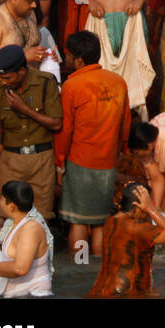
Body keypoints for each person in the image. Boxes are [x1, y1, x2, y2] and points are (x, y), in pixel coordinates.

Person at [55, 31, 130, 259]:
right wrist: (119, 155)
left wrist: (59, 163)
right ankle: (96, 271)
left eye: (68, 56)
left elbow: (65, 130)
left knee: (78, 221)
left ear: (78, 60)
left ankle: (78, 272)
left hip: (80, 162)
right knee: (99, 221)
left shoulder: (72, 85)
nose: (65, 60)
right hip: (107, 162)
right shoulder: (118, 82)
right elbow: (124, 126)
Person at [0, 46, 62, 229]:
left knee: (39, 222)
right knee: (0, 218)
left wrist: (25, 110)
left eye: (7, 78)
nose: (3, 82)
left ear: (21, 71)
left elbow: (56, 123)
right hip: (10, 162)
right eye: (1, 78)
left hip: (41, 161)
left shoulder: (45, 83)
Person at [86, 182, 165, 298]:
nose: (151, 205)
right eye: (149, 203)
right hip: (125, 294)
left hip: (102, 292)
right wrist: (151, 210)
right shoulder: (136, 228)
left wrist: (129, 193)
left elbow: (142, 224)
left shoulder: (111, 221)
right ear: (139, 206)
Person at [0, 180, 52, 297]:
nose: (0, 202)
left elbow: (20, 268)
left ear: (12, 206)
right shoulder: (16, 221)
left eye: (2, 199)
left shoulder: (31, 229)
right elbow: (9, 232)